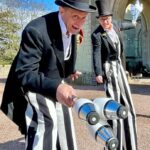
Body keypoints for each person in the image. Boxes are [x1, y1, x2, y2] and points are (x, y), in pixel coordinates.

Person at [0, 0, 96, 149]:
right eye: (76, 16)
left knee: (65, 122)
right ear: (61, 10)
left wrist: (69, 71)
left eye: (84, 17)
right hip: (32, 84)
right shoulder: (35, 30)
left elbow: (61, 54)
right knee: (48, 121)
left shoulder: (72, 26)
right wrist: (57, 87)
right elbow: (25, 73)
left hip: (54, 81)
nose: (80, 22)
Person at [91, 0, 137, 150]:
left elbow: (126, 25)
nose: (106, 22)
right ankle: (115, 145)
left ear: (111, 17)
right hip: (109, 69)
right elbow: (96, 53)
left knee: (128, 106)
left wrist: (134, 23)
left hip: (119, 68)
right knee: (114, 107)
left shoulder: (116, 25)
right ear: (99, 19)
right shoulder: (97, 34)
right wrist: (98, 73)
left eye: (108, 18)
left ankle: (131, 145)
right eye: (102, 19)